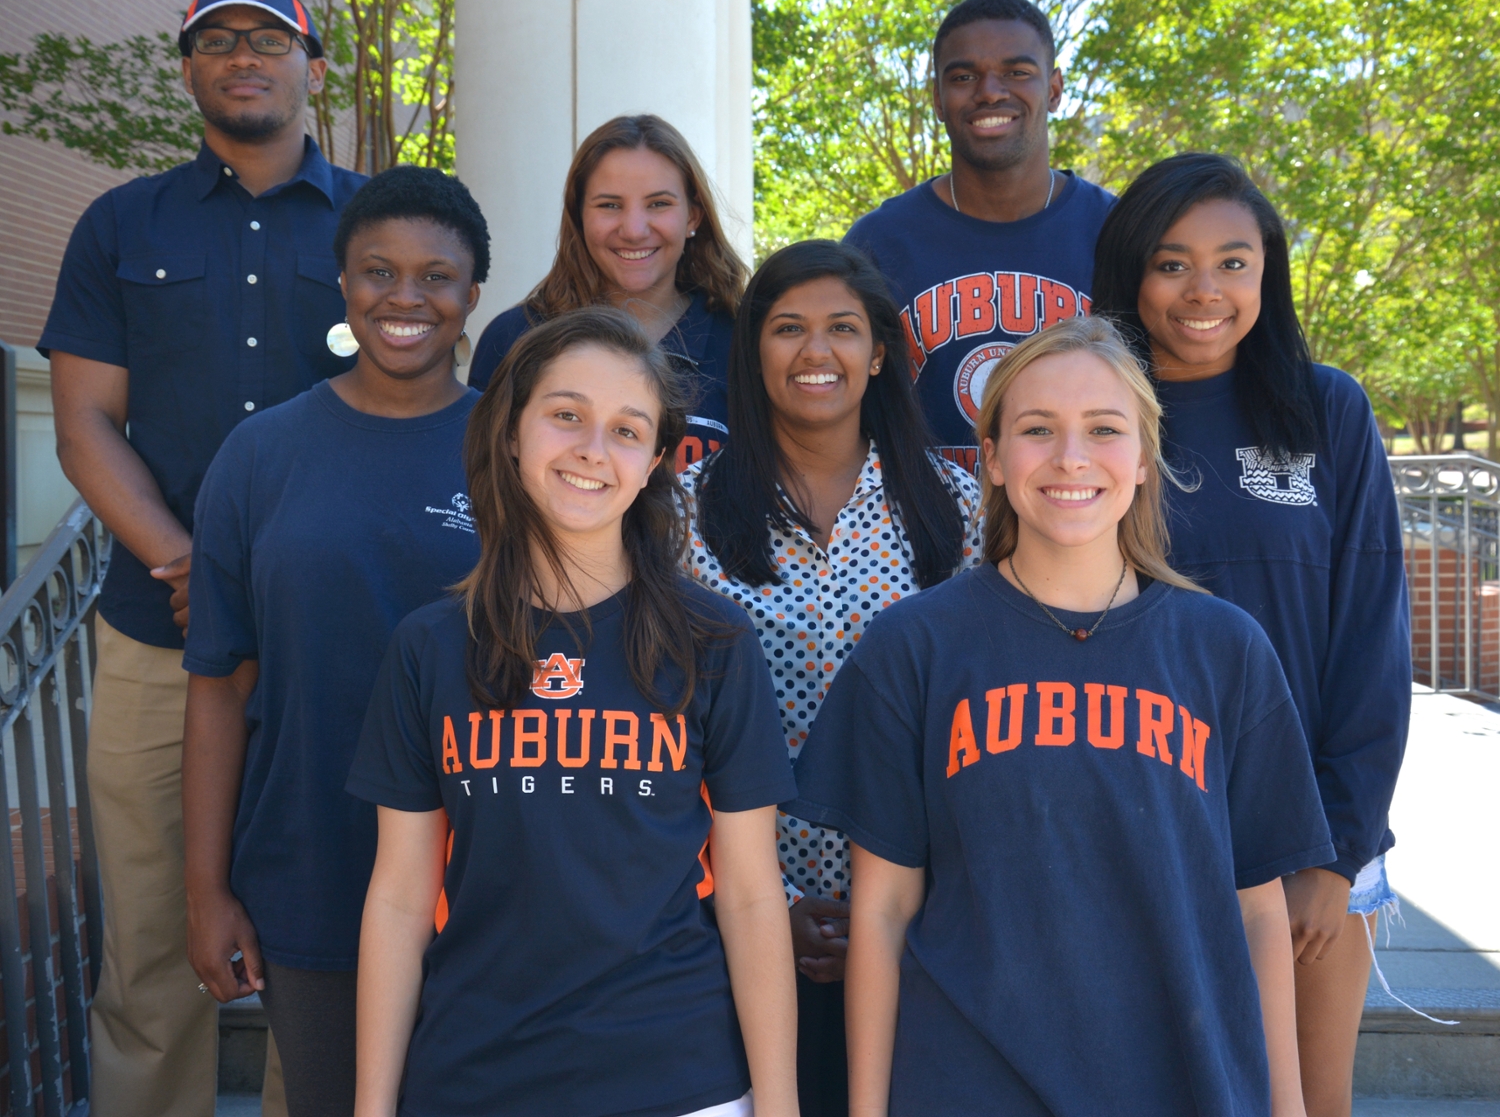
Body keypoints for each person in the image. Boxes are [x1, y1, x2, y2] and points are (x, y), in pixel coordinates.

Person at [787, 316, 1336, 1117]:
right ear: (995, 460)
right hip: (968, 1083)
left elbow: (1258, 912)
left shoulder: (1225, 650)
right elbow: (883, 909)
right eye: (1038, 429)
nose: (1071, 457)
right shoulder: (918, 645)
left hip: (1181, 1081)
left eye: (1104, 429)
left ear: (1144, 460)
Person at [38, 0, 364, 1115]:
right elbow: (84, 425)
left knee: (318, 945)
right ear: (187, 70)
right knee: (151, 945)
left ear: (312, 66)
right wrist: (195, 571)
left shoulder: (379, 221)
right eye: (216, 40)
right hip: (156, 638)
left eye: (268, 39)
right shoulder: (122, 224)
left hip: (334, 650)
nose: (243, 56)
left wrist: (270, 588)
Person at [347, 308, 800, 1117]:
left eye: (628, 430)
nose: (594, 448)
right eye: (566, 415)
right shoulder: (430, 647)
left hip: (680, 1080)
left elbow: (751, 893)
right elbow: (399, 899)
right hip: (475, 1079)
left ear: (656, 460)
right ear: (513, 431)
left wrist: (780, 1104)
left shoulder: (714, 642)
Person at [1090, 152, 1411, 1117]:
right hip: (1142, 825)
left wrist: (1334, 852)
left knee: (1307, 1103)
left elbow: (1370, 636)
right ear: (1130, 274)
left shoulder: (1327, 410)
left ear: (1266, 273)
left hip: (1309, 836)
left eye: (1234, 263)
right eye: (1173, 262)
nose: (1205, 291)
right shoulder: (1096, 418)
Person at [180, 166, 487, 1116]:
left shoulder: (515, 451)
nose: (406, 298)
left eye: (437, 277)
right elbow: (221, 688)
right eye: (378, 272)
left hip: (493, 875)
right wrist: (206, 890)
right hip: (313, 866)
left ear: (474, 294)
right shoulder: (261, 454)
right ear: (342, 284)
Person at [682, 239, 982, 1116]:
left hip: (924, 920)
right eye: (788, 329)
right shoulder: (680, 515)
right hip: (732, 912)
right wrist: (772, 902)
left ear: (880, 352)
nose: (817, 353)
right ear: (753, 351)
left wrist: (899, 906)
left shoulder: (954, 508)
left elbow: (975, 720)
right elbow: (671, 725)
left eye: (843, 329)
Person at [843, 0, 1116, 476]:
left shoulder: (1117, 231)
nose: (990, 91)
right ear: (937, 99)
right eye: (964, 76)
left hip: (1077, 527)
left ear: (1054, 89)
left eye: (1017, 72)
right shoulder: (878, 243)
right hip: (920, 541)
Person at [466, 114, 748, 472]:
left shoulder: (742, 345)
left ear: (693, 216)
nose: (633, 230)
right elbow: (479, 495)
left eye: (658, 204)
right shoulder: (514, 339)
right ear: (578, 215)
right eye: (609, 205)